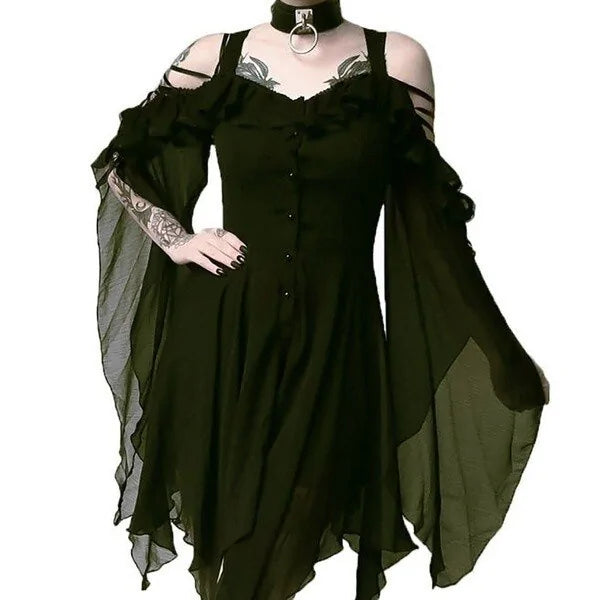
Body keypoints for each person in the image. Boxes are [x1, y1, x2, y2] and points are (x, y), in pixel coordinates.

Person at [90, 1, 550, 598]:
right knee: (239, 534)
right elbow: (123, 160)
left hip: (338, 338)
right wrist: (177, 239)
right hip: (225, 335)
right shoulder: (215, 56)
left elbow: (431, 216)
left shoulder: (397, 61)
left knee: (283, 532)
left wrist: (497, 346)